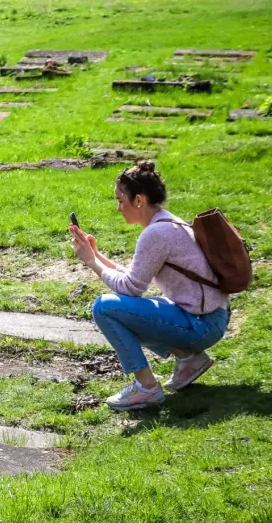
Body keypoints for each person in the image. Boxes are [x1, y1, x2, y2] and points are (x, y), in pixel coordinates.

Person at [70, 162, 231, 411]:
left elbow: (131, 288)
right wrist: (96, 255)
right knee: (127, 309)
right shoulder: (166, 224)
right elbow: (134, 279)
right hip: (210, 317)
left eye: (121, 200)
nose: (118, 207)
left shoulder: (156, 234)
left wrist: (92, 263)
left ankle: (146, 388)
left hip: (203, 325)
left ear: (139, 200)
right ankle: (189, 359)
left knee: (104, 308)